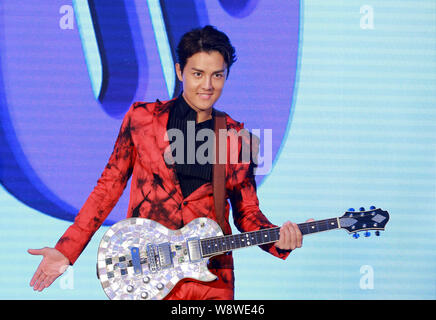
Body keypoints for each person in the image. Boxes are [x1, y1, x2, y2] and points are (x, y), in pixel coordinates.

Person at [28, 25, 311, 299]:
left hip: (213, 282)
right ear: (180, 71)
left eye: (217, 75)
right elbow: (108, 187)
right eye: (197, 74)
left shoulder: (238, 139)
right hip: (147, 277)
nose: (208, 85)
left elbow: (247, 213)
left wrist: (278, 239)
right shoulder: (142, 120)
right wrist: (67, 249)